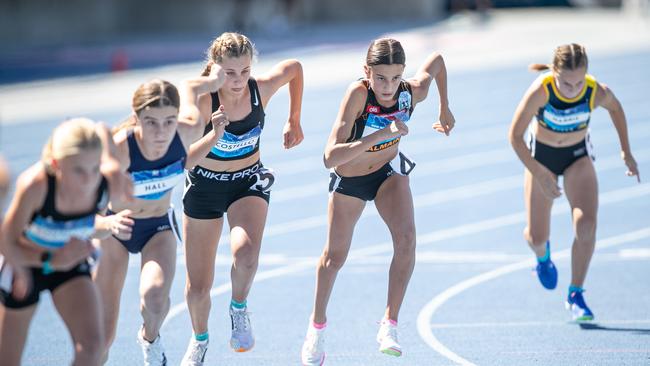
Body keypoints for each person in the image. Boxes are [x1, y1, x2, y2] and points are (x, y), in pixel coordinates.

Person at [301, 38, 455, 365]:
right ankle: (317, 327)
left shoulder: (409, 92)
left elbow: (437, 61)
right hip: (351, 180)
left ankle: (389, 324)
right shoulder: (358, 95)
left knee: (407, 239)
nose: (388, 86)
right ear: (366, 72)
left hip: (388, 173)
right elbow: (330, 156)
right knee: (334, 258)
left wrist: (444, 107)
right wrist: (381, 134)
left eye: (395, 77)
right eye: (381, 78)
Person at [181, 32, 303, 365]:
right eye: (229, 73)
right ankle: (199, 338)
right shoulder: (203, 102)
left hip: (246, 183)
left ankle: (238, 308)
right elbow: (186, 159)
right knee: (198, 287)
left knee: (246, 254)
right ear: (214, 69)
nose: (238, 80)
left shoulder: (258, 89)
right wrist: (213, 134)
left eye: (244, 71)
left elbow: (293, 68)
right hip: (204, 187)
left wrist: (294, 119)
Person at [93, 66, 226, 365]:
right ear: (137, 117)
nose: (161, 132)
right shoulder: (119, 149)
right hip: (115, 229)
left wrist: (214, 83)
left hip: (157, 228)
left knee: (154, 297)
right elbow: (86, 209)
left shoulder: (188, 129)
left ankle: (150, 338)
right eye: (151, 122)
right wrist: (107, 223)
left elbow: (190, 89)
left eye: (168, 121)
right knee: (101, 336)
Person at [508, 43, 640, 321]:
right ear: (554, 74)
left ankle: (576, 293)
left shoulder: (595, 91)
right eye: (566, 84)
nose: (573, 89)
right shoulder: (541, 91)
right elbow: (514, 137)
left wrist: (626, 151)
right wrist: (540, 173)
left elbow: (616, 109)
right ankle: (542, 258)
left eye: (579, 82)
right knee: (536, 237)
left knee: (587, 226)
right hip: (541, 159)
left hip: (577, 156)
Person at [0, 118, 133, 366]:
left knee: (93, 347)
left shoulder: (106, 182)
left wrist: (113, 165)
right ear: (55, 165)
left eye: (95, 169)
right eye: (78, 171)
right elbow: (6, 240)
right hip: (24, 265)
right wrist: (48, 259)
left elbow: (104, 132)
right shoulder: (35, 187)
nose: (88, 180)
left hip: (69, 263)